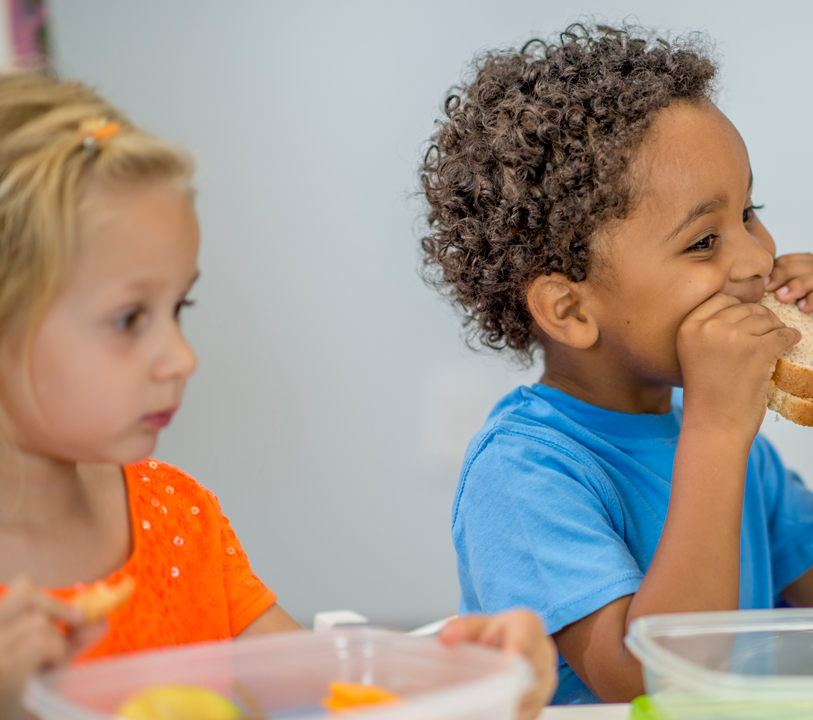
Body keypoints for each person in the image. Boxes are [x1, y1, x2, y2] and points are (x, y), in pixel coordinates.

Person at [0, 75, 555, 720]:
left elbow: (335, 700)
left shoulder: (179, 517)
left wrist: (473, 682)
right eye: (129, 319)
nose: (182, 358)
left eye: (179, 308)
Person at [420, 24, 813, 704]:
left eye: (751, 212)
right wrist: (718, 433)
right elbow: (650, 680)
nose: (755, 258)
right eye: (704, 241)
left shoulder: (735, 450)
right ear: (569, 309)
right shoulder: (523, 471)